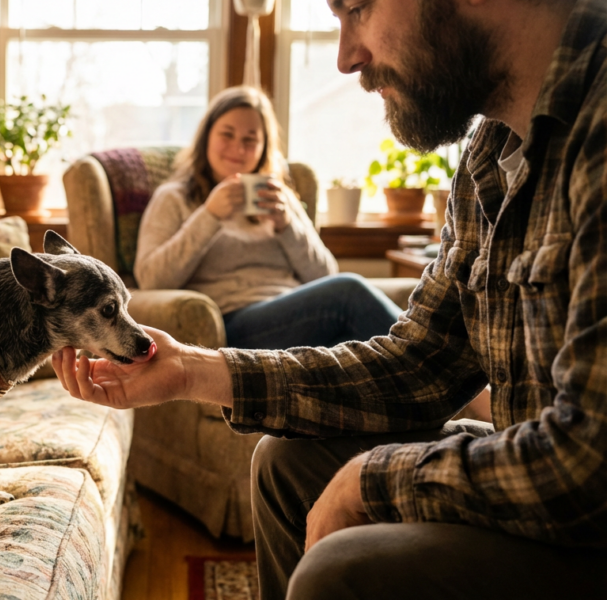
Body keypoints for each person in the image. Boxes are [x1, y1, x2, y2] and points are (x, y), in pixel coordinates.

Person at [54, 0, 607, 598]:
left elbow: (587, 463)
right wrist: (190, 368)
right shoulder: (486, 157)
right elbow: (417, 364)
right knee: (283, 466)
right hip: (236, 317)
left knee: (338, 569)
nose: (346, 58)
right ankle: (479, 405)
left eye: (357, 8)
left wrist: (371, 480)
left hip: (583, 507)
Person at [134, 85, 402, 351]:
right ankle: (428, 362)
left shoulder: (279, 196)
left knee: (361, 342)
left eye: (250, 140)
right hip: (233, 322)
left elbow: (324, 274)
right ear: (206, 138)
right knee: (349, 292)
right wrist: (209, 215)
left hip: (300, 314)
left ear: (263, 147)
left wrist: (287, 226)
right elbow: (152, 280)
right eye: (227, 134)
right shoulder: (175, 197)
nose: (238, 148)